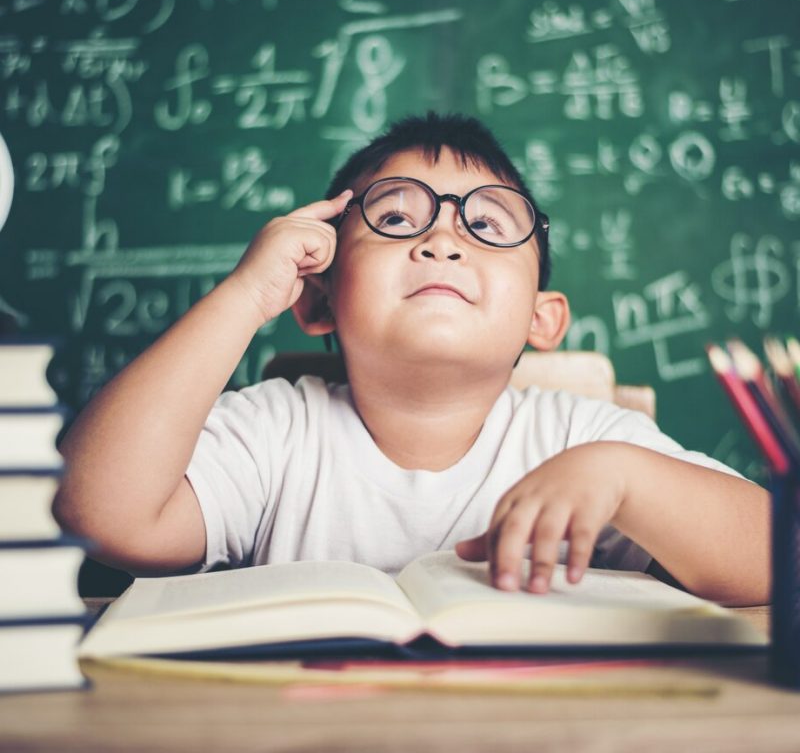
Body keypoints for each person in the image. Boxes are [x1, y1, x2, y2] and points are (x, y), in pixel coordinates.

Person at [53, 112, 769, 606]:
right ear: (316, 302)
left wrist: (625, 477)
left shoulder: (586, 443)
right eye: (396, 218)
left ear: (541, 320)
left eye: (486, 223)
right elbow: (101, 513)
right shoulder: (276, 432)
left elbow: (776, 559)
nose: (443, 240)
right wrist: (245, 294)